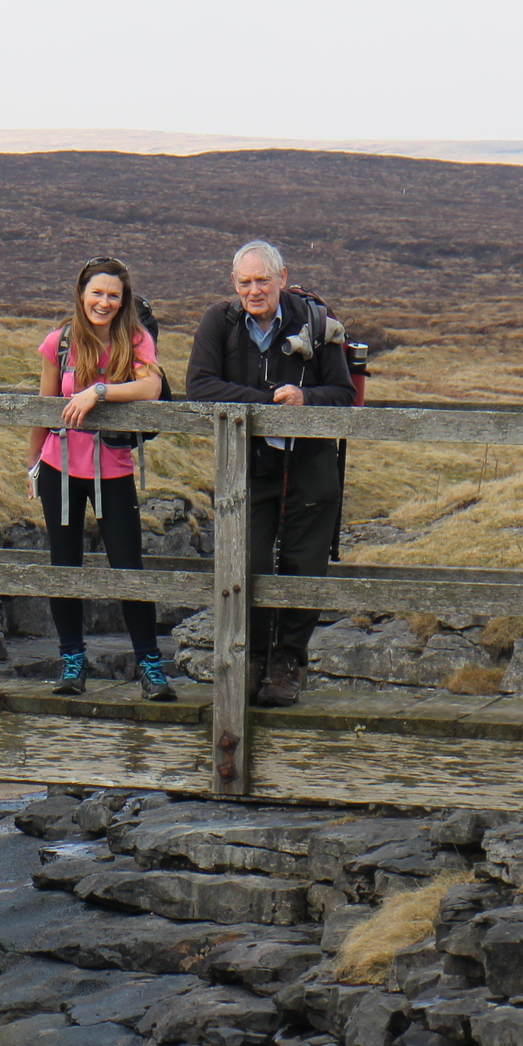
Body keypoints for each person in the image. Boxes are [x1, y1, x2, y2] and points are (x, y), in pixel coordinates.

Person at [183, 239, 353, 706]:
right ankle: (252, 657)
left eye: (262, 280)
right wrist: (265, 405)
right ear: (233, 283)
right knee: (248, 561)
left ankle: (288, 663)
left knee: (304, 564)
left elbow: (341, 392)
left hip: (311, 464)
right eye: (245, 282)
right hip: (248, 465)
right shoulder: (220, 321)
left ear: (281, 277)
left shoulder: (316, 322)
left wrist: (305, 399)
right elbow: (197, 385)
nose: (254, 290)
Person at [30, 257, 179, 702]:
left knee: (128, 566)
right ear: (81, 294)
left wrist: (96, 391)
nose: (104, 302)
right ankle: (72, 661)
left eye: (113, 295)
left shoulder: (135, 339)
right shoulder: (59, 343)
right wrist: (33, 463)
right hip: (59, 467)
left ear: (123, 299)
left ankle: (150, 665)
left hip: (112, 468)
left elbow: (149, 388)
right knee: (64, 565)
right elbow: (43, 404)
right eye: (97, 293)